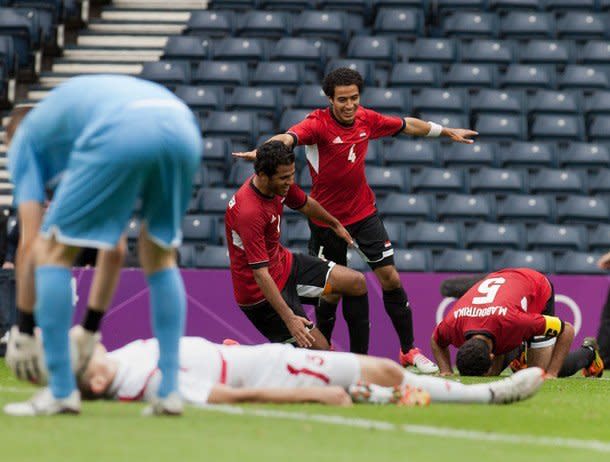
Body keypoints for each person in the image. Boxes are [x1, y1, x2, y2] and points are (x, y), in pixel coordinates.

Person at [234, 68, 478, 373]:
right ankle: (327, 359)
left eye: (354, 98)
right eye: (342, 100)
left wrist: (446, 131)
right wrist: (266, 151)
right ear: (330, 99)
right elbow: (288, 137)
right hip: (326, 221)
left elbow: (407, 125)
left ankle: (408, 350)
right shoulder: (317, 125)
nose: (349, 105)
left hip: (364, 215)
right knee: (331, 291)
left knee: (390, 278)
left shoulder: (366, 119)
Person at [3, 75, 203, 417]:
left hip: (123, 127)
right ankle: (169, 392)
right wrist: (90, 328)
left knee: (55, 251)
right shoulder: (74, 133)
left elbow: (31, 246)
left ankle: (62, 391)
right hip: (182, 125)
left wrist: (22, 329)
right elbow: (113, 249)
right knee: (159, 255)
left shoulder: (25, 143)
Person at [72, 334, 545, 407]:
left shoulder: (122, 356)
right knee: (384, 369)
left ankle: (371, 399)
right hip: (276, 373)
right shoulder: (144, 383)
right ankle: (492, 396)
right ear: (95, 381)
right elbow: (229, 398)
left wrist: (222, 349)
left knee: (373, 384)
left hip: (256, 356)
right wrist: (308, 396)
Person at [226, 141, 368, 350]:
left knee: (356, 282)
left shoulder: (277, 184)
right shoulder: (249, 212)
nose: (290, 181)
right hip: (260, 295)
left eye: (292, 174)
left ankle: (362, 366)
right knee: (326, 357)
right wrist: (290, 319)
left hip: (284, 265)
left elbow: (305, 203)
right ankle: (239, 354)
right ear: (263, 175)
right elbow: (260, 275)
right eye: (285, 177)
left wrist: (334, 223)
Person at [431, 268, 604, 378]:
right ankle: (519, 353)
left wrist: (551, 374)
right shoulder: (453, 323)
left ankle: (589, 352)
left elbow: (567, 330)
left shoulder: (516, 321)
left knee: (537, 373)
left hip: (535, 286)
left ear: (492, 356)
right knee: (493, 374)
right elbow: (436, 340)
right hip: (504, 292)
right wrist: (446, 371)